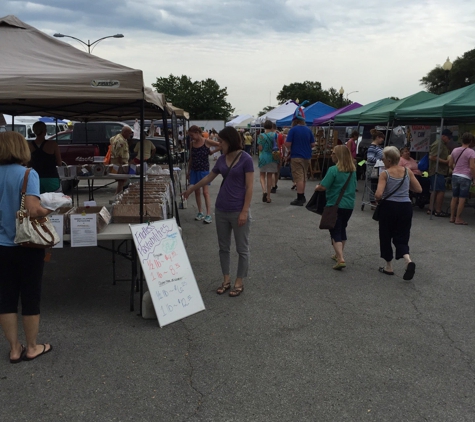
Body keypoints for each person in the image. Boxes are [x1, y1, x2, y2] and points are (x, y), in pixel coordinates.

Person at [0, 131, 54, 362]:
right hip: (27, 244)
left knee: (5, 298)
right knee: (30, 295)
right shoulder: (28, 174)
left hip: (1, 246)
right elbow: (33, 209)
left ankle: (14, 348)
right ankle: (32, 347)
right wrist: (51, 208)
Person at [183, 126, 254, 297]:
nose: (218, 144)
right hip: (221, 208)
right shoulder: (221, 159)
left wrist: (245, 211)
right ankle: (226, 279)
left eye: (221, 142)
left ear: (229, 141)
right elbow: (208, 177)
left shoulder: (246, 159)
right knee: (223, 248)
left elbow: (250, 186)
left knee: (242, 248)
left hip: (238, 210)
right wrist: (191, 189)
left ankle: (239, 280)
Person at [375, 146, 422, 280]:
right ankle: (408, 260)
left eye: (384, 158)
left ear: (389, 160)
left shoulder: (385, 173)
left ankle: (389, 266)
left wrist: (379, 196)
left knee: (385, 235)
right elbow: (418, 189)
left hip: (389, 207)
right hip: (405, 207)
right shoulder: (408, 171)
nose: (383, 160)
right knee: (402, 235)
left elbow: (378, 194)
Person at [314, 145, 357, 270]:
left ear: (338, 156)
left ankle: (340, 258)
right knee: (342, 228)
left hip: (335, 203)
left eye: (333, 153)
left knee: (334, 230)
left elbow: (324, 186)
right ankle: (338, 253)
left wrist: (317, 187)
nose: (331, 155)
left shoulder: (333, 170)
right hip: (349, 204)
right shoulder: (352, 171)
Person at [186, 125, 221, 224]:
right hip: (194, 169)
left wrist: (212, 152)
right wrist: (188, 172)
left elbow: (220, 145)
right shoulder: (192, 144)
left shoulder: (206, 141)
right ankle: (200, 211)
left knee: (205, 192)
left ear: (197, 133)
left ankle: (208, 214)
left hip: (204, 170)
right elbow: (191, 159)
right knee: (196, 192)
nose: (191, 137)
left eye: (192, 135)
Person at [285, 104, 315, 205]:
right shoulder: (308, 130)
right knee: (303, 176)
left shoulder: (293, 130)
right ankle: (302, 195)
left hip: (296, 156)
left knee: (298, 177)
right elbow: (313, 144)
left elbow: (288, 144)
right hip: (307, 156)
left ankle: (300, 197)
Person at [448, 133, 475, 225]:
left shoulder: (455, 150)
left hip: (455, 175)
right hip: (466, 176)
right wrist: (474, 178)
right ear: (471, 141)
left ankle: (452, 217)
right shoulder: (471, 152)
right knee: (462, 198)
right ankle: (458, 218)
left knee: (454, 197)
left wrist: (454, 170)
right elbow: (472, 167)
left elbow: (450, 164)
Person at [28, 121, 62, 194]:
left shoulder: (29, 146)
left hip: (35, 178)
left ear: (34, 131)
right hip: (51, 178)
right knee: (54, 201)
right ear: (45, 131)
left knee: (38, 201)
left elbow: (27, 163)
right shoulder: (53, 144)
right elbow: (59, 163)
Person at [428, 129, 451, 217]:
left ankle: (431, 209)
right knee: (440, 191)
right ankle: (438, 210)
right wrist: (445, 162)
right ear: (443, 136)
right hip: (437, 170)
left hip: (440, 170)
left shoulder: (443, 144)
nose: (449, 140)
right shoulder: (438, 144)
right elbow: (432, 157)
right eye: (448, 137)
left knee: (435, 190)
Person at [257, 120, 279, 203]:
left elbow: (260, 148)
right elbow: (276, 145)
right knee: (270, 176)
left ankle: (264, 191)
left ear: (264, 126)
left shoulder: (261, 136)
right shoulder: (275, 135)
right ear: (271, 127)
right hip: (272, 157)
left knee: (262, 175)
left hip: (263, 157)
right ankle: (269, 197)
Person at [110, 126, 132, 194]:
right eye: (129, 133)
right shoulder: (121, 141)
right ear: (124, 132)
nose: (130, 135)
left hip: (115, 163)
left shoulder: (115, 137)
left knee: (121, 182)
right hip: (120, 164)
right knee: (121, 181)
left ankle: (118, 195)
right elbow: (119, 155)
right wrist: (123, 167)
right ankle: (118, 196)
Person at [366, 129, 385, 206]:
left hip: (379, 169)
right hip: (374, 169)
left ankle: (376, 200)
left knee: (377, 184)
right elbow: (370, 158)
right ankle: (373, 200)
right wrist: (380, 161)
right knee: (374, 185)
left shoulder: (378, 147)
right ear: (377, 137)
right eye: (382, 138)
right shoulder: (372, 147)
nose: (383, 140)